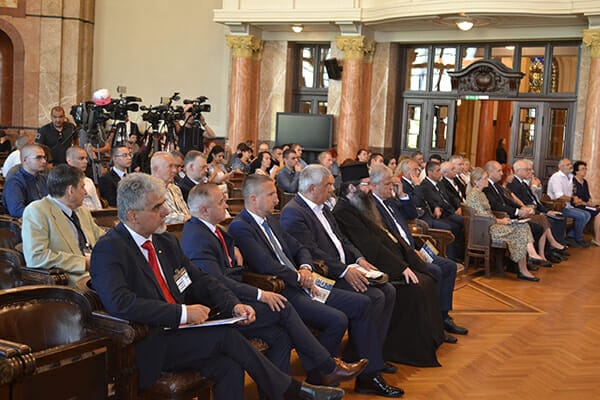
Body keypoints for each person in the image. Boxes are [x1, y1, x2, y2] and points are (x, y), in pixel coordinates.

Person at [89, 173, 344, 400]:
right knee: (226, 336)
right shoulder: (110, 248)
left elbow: (201, 279)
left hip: (182, 334)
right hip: (149, 342)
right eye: (157, 207)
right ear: (133, 216)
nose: (166, 211)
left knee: (228, 365)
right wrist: (183, 313)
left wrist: (233, 305)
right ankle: (293, 391)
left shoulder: (164, 242)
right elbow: (121, 302)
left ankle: (292, 391)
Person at [228, 174, 404, 398]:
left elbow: (300, 248)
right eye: (271, 194)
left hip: (306, 280)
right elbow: (266, 264)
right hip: (283, 290)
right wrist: (298, 277)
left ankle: (343, 376)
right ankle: (322, 376)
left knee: (363, 303)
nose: (277, 199)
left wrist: (305, 268)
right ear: (253, 199)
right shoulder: (241, 227)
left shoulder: (271, 220)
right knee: (337, 319)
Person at [181, 183, 368, 385]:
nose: (226, 205)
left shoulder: (215, 230)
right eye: (221, 202)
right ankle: (327, 368)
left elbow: (299, 248)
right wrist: (260, 294)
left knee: (280, 336)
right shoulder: (199, 237)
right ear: (204, 210)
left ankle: (289, 390)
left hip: (250, 293)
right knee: (283, 307)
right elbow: (217, 282)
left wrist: (305, 269)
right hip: (225, 308)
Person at [279, 165, 399, 366]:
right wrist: (344, 271)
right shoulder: (294, 213)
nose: (332, 189)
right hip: (325, 276)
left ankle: (369, 354)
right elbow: (312, 252)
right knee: (373, 298)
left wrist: (359, 259)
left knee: (388, 290)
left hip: (345, 268)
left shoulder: (324, 208)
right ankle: (368, 366)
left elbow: (342, 240)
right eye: (327, 185)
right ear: (312, 188)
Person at [330, 162, 446, 366]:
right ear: (352, 188)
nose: (370, 189)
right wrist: (400, 268)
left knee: (426, 279)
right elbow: (369, 245)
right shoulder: (343, 211)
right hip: (374, 265)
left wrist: (407, 260)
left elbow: (385, 236)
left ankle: (430, 339)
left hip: (386, 261)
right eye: (366, 184)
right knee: (415, 289)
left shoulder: (361, 205)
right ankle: (399, 350)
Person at [370, 164, 468, 339]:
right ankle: (433, 323)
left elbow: (411, 214)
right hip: (402, 255)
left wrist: (402, 194)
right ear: (374, 185)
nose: (391, 187)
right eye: (387, 184)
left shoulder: (390, 201)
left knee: (449, 266)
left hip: (413, 247)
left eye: (392, 183)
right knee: (436, 271)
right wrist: (410, 252)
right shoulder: (372, 206)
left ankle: (443, 316)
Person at [22, 165, 106, 286]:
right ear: (70, 190)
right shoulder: (37, 211)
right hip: (74, 277)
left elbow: (101, 237)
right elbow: (36, 257)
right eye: (82, 187)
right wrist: (84, 263)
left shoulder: (82, 211)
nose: (86, 192)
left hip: (100, 269)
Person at [466, 167, 540, 282]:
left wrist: (501, 220)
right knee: (520, 231)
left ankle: (527, 260)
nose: (487, 180)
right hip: (485, 230)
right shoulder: (474, 195)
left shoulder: (481, 194)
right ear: (476, 181)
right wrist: (500, 221)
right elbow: (482, 216)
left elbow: (488, 214)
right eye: (484, 178)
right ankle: (523, 269)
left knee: (523, 226)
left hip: (491, 225)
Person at [482, 161, 551, 266]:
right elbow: (496, 206)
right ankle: (519, 263)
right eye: (499, 171)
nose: (501, 173)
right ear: (489, 172)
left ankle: (528, 260)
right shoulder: (487, 187)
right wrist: (518, 212)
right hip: (500, 218)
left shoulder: (495, 185)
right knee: (530, 227)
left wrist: (521, 208)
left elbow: (507, 201)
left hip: (507, 216)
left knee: (538, 227)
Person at [507, 160, 568, 262]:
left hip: (533, 210)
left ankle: (552, 250)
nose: (530, 172)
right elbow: (521, 203)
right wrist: (539, 212)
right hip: (525, 213)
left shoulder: (523, 183)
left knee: (559, 218)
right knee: (547, 221)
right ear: (517, 171)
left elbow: (535, 201)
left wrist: (547, 211)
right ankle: (547, 251)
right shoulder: (513, 184)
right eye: (526, 170)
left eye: (529, 169)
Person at [413, 161, 464, 262]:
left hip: (448, 211)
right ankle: (449, 256)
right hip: (440, 214)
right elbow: (435, 201)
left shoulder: (440, 183)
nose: (440, 173)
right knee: (451, 226)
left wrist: (458, 206)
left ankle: (458, 254)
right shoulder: (425, 185)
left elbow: (450, 197)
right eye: (438, 170)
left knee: (462, 223)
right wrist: (438, 207)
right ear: (430, 172)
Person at [546, 158, 591, 248]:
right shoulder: (556, 177)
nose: (570, 166)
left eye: (570, 164)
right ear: (561, 167)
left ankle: (571, 236)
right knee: (582, 216)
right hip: (558, 206)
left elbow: (571, 192)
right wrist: (573, 198)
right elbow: (559, 196)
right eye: (567, 165)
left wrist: (575, 199)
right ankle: (578, 239)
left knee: (587, 214)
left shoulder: (570, 177)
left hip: (568, 205)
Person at [2, 144, 49, 218]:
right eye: (38, 157)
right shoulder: (14, 182)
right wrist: (45, 215)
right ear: (25, 160)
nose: (44, 161)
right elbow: (17, 211)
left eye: (44, 157)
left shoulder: (45, 179)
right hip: (29, 222)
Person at [151, 152, 190, 224]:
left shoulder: (175, 188)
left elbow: (186, 213)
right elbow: (159, 217)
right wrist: (184, 218)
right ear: (156, 169)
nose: (175, 170)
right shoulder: (148, 191)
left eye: (175, 166)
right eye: (170, 166)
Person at [572, 160, 600, 246]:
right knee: (597, 213)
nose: (585, 171)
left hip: (585, 205)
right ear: (576, 171)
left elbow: (587, 196)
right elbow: (574, 199)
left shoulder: (585, 182)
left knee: (598, 210)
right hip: (576, 206)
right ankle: (597, 239)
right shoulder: (572, 181)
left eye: (585, 169)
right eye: (582, 169)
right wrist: (585, 203)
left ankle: (596, 238)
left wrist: (590, 201)